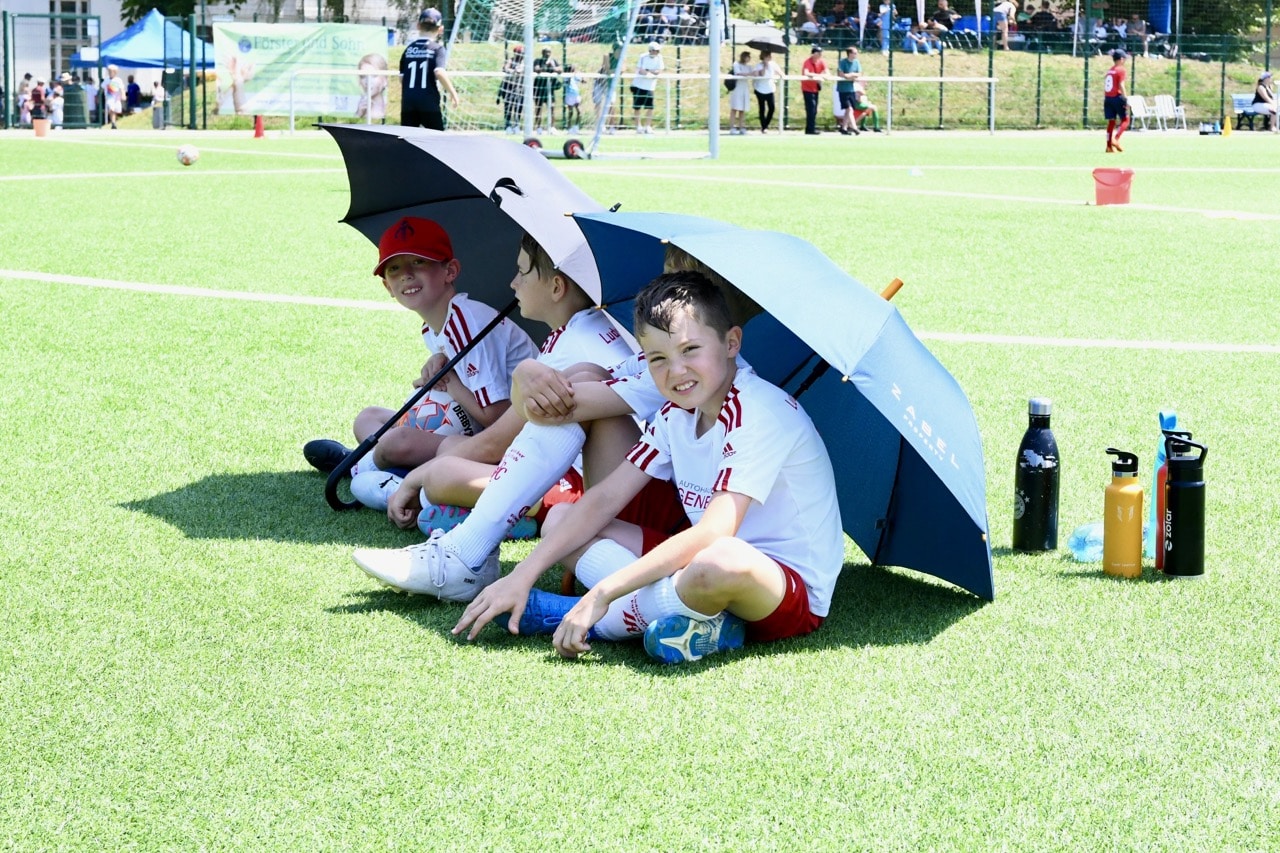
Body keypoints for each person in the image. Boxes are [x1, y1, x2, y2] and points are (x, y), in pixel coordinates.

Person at [452, 271, 845, 666]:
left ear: (731, 343)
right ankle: (699, 619)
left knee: (721, 558)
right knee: (562, 521)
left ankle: (597, 621)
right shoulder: (677, 411)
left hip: (780, 587)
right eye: (658, 358)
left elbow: (713, 533)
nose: (676, 372)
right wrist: (523, 574)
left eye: (690, 350)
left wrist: (603, 592)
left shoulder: (757, 411)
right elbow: (605, 498)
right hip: (697, 562)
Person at [350, 248, 762, 605]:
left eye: (675, 284)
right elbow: (566, 401)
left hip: (692, 534)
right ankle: (468, 547)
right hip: (648, 497)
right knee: (581, 395)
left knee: (462, 475)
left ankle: (464, 549)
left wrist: (524, 376)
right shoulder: (668, 361)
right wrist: (527, 374)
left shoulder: (688, 369)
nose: (660, 294)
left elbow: (530, 420)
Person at [353, 230, 638, 524]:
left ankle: (405, 489)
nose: (513, 282)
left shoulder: (568, 350)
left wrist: (424, 473)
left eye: (522, 272)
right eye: (395, 268)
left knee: (441, 472)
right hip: (564, 462)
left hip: (573, 479)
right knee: (381, 425)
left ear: (556, 288)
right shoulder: (582, 331)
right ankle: (395, 476)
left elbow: (498, 438)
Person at [303, 216, 538, 498]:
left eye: (419, 262)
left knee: (395, 441)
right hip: (462, 424)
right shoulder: (433, 327)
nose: (406, 275)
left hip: (502, 441)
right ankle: (378, 466)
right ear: (388, 287)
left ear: (450, 271)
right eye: (394, 269)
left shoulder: (469, 323)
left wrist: (448, 382)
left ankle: (360, 467)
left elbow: (498, 418)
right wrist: (437, 368)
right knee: (368, 417)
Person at [400, 8, 459, 130]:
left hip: (408, 103)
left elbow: (402, 79)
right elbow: (439, 72)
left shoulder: (408, 50)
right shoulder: (437, 49)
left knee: (408, 140)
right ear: (440, 29)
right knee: (437, 140)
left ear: (418, 26)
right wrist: (453, 92)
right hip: (428, 102)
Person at [631, 41, 664, 134]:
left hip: (650, 87)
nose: (657, 52)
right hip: (639, 85)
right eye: (655, 51)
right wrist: (648, 72)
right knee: (637, 107)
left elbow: (659, 70)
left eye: (658, 51)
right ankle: (638, 126)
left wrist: (649, 71)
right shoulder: (642, 57)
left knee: (650, 107)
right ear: (650, 50)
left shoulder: (659, 58)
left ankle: (647, 126)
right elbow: (640, 70)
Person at [1102, 49, 1129, 153]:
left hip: (1107, 98)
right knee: (1126, 120)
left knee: (1111, 122)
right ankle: (1116, 139)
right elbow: (1121, 85)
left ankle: (1109, 146)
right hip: (1116, 97)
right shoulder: (1120, 69)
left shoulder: (1110, 70)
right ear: (1121, 59)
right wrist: (1125, 99)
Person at [751, 49, 782, 133]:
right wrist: (764, 66)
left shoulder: (773, 64)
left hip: (770, 89)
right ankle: (763, 127)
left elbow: (780, 73)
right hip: (760, 89)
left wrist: (778, 74)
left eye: (769, 56)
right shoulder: (759, 65)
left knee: (771, 108)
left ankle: (766, 125)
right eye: (767, 56)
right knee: (762, 108)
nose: (769, 57)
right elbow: (762, 74)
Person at [532, 48, 561, 133]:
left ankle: (552, 127)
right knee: (538, 108)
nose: (547, 54)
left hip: (550, 89)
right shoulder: (538, 61)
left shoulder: (553, 61)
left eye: (549, 52)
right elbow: (536, 69)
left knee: (551, 107)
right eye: (546, 52)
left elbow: (560, 69)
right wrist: (544, 67)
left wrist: (552, 67)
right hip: (539, 88)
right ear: (542, 53)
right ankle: (538, 127)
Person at [835, 47, 862, 135]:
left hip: (851, 89)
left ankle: (844, 128)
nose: (856, 55)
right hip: (843, 89)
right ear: (849, 53)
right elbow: (841, 74)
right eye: (854, 53)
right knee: (849, 108)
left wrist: (851, 75)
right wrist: (849, 76)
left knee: (849, 110)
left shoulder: (857, 62)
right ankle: (854, 127)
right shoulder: (843, 62)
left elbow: (859, 73)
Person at [355, 52, 388, 122]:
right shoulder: (359, 111)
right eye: (363, 76)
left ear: (385, 79)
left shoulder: (391, 111)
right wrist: (358, 115)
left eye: (373, 76)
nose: (368, 81)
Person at [801, 45, 826, 135]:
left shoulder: (821, 62)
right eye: (818, 53)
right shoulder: (807, 62)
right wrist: (818, 76)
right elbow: (806, 73)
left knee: (814, 109)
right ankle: (810, 129)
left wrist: (822, 76)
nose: (820, 54)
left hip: (815, 89)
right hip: (807, 88)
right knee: (811, 109)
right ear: (813, 54)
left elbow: (827, 72)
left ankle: (810, 128)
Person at [499, 44, 525, 134]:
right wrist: (513, 71)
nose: (521, 55)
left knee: (519, 107)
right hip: (509, 87)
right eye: (520, 53)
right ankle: (508, 125)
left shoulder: (525, 62)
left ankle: (516, 125)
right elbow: (505, 68)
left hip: (521, 88)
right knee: (509, 107)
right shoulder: (511, 60)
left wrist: (522, 71)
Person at [727, 50, 753, 135]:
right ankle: (732, 127)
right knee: (734, 108)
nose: (748, 58)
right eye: (746, 56)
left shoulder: (749, 67)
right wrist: (747, 74)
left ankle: (742, 127)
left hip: (744, 89)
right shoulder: (736, 64)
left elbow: (752, 73)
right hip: (737, 89)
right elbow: (738, 73)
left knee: (742, 109)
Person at [562, 65, 582, 133]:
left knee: (579, 111)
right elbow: (567, 82)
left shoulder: (576, 76)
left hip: (576, 95)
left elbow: (582, 80)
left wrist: (580, 75)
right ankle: (569, 127)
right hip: (569, 95)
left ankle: (576, 126)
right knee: (571, 112)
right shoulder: (566, 76)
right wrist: (570, 76)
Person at [103, 65, 125, 129]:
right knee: (111, 109)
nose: (109, 73)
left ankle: (114, 121)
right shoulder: (106, 80)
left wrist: (123, 95)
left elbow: (122, 88)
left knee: (116, 110)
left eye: (111, 71)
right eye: (109, 71)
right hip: (109, 97)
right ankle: (113, 123)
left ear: (115, 72)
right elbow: (102, 87)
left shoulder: (118, 80)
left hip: (117, 98)